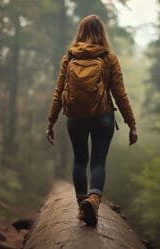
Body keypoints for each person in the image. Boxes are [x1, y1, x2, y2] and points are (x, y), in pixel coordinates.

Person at [46, 14, 137, 226]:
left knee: (80, 160)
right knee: (98, 161)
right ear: (102, 33)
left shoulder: (69, 57)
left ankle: (82, 205)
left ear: (80, 32)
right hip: (102, 116)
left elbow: (59, 91)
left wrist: (50, 121)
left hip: (75, 117)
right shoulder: (108, 58)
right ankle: (93, 201)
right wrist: (131, 124)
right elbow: (120, 94)